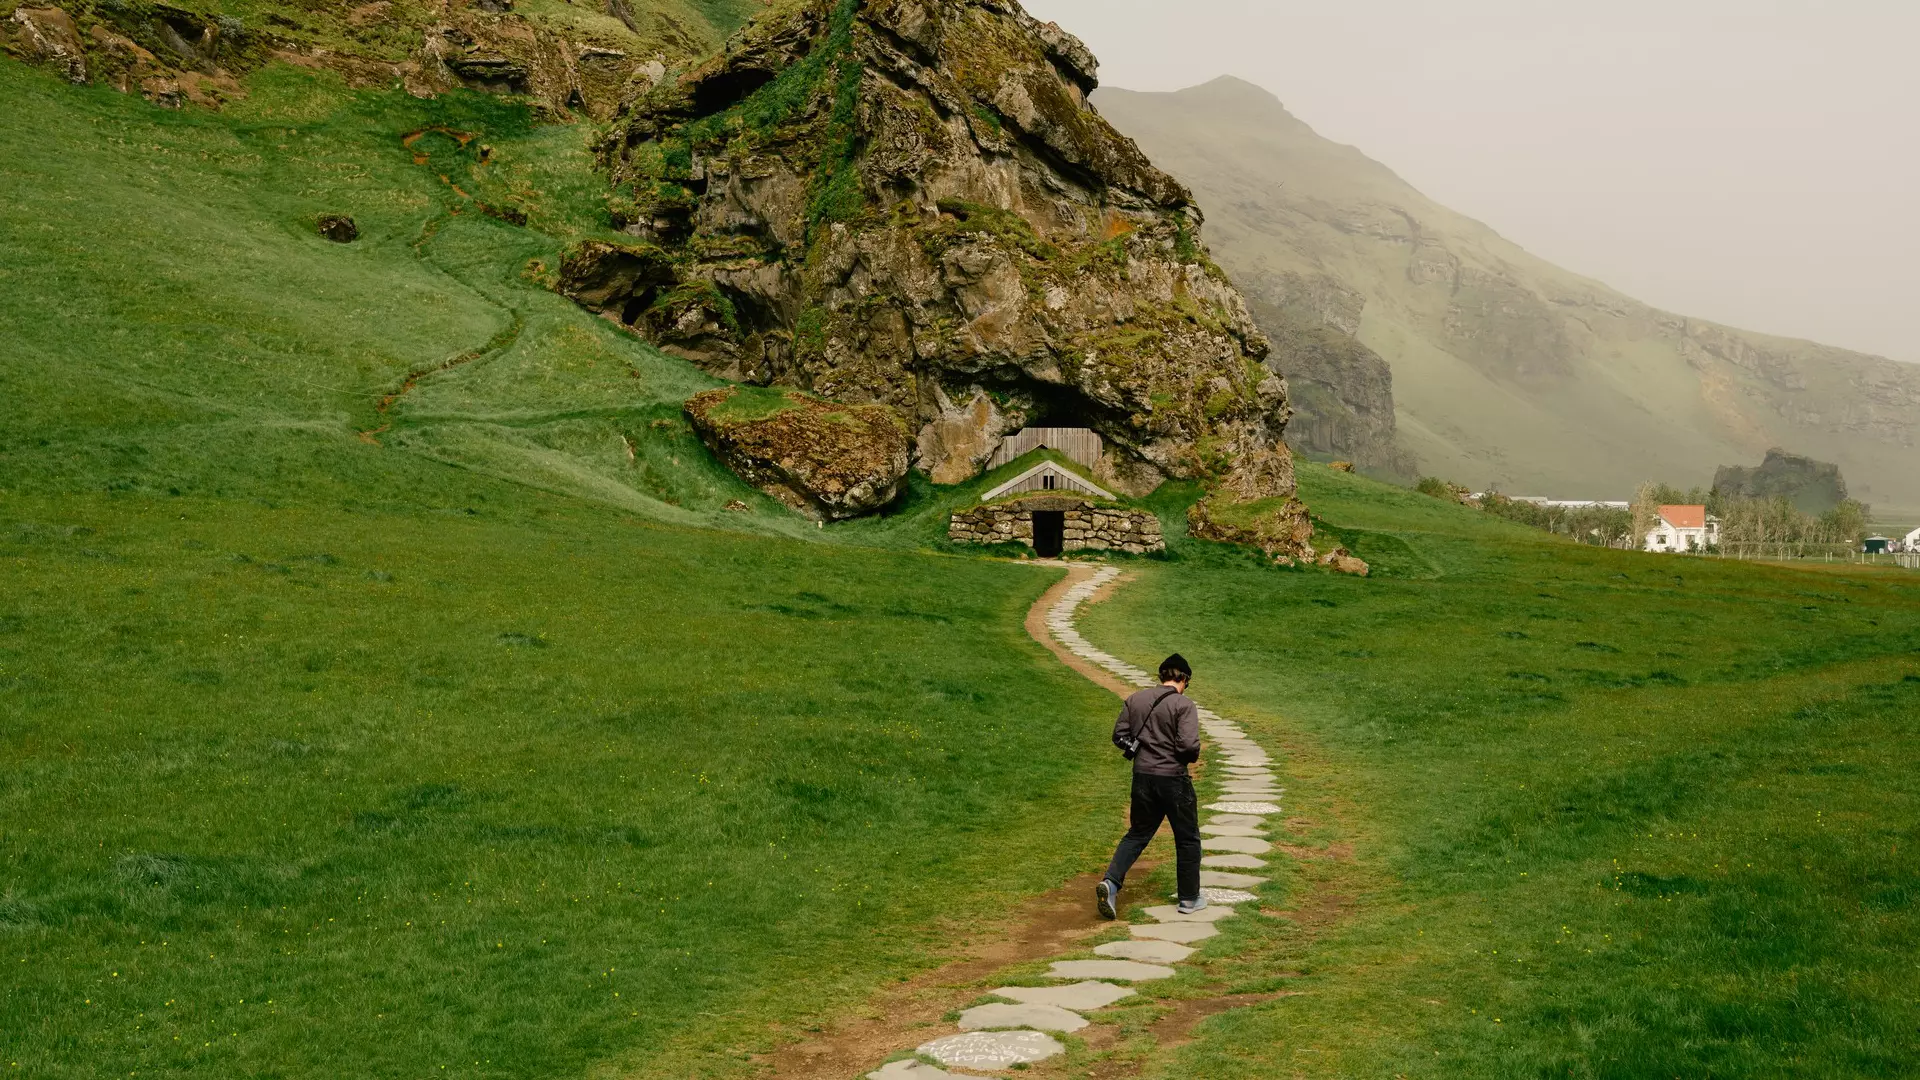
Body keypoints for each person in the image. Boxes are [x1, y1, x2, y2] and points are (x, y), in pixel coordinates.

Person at [1096, 653, 1205, 918]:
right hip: (1174, 779)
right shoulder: (1184, 705)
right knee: (1187, 838)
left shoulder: (1135, 699)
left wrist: (1142, 749)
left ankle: (1111, 883)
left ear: (1162, 675)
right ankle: (1189, 899)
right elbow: (1188, 746)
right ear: (1185, 679)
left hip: (1143, 777)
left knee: (1137, 833)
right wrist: (1184, 756)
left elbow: (1119, 736)